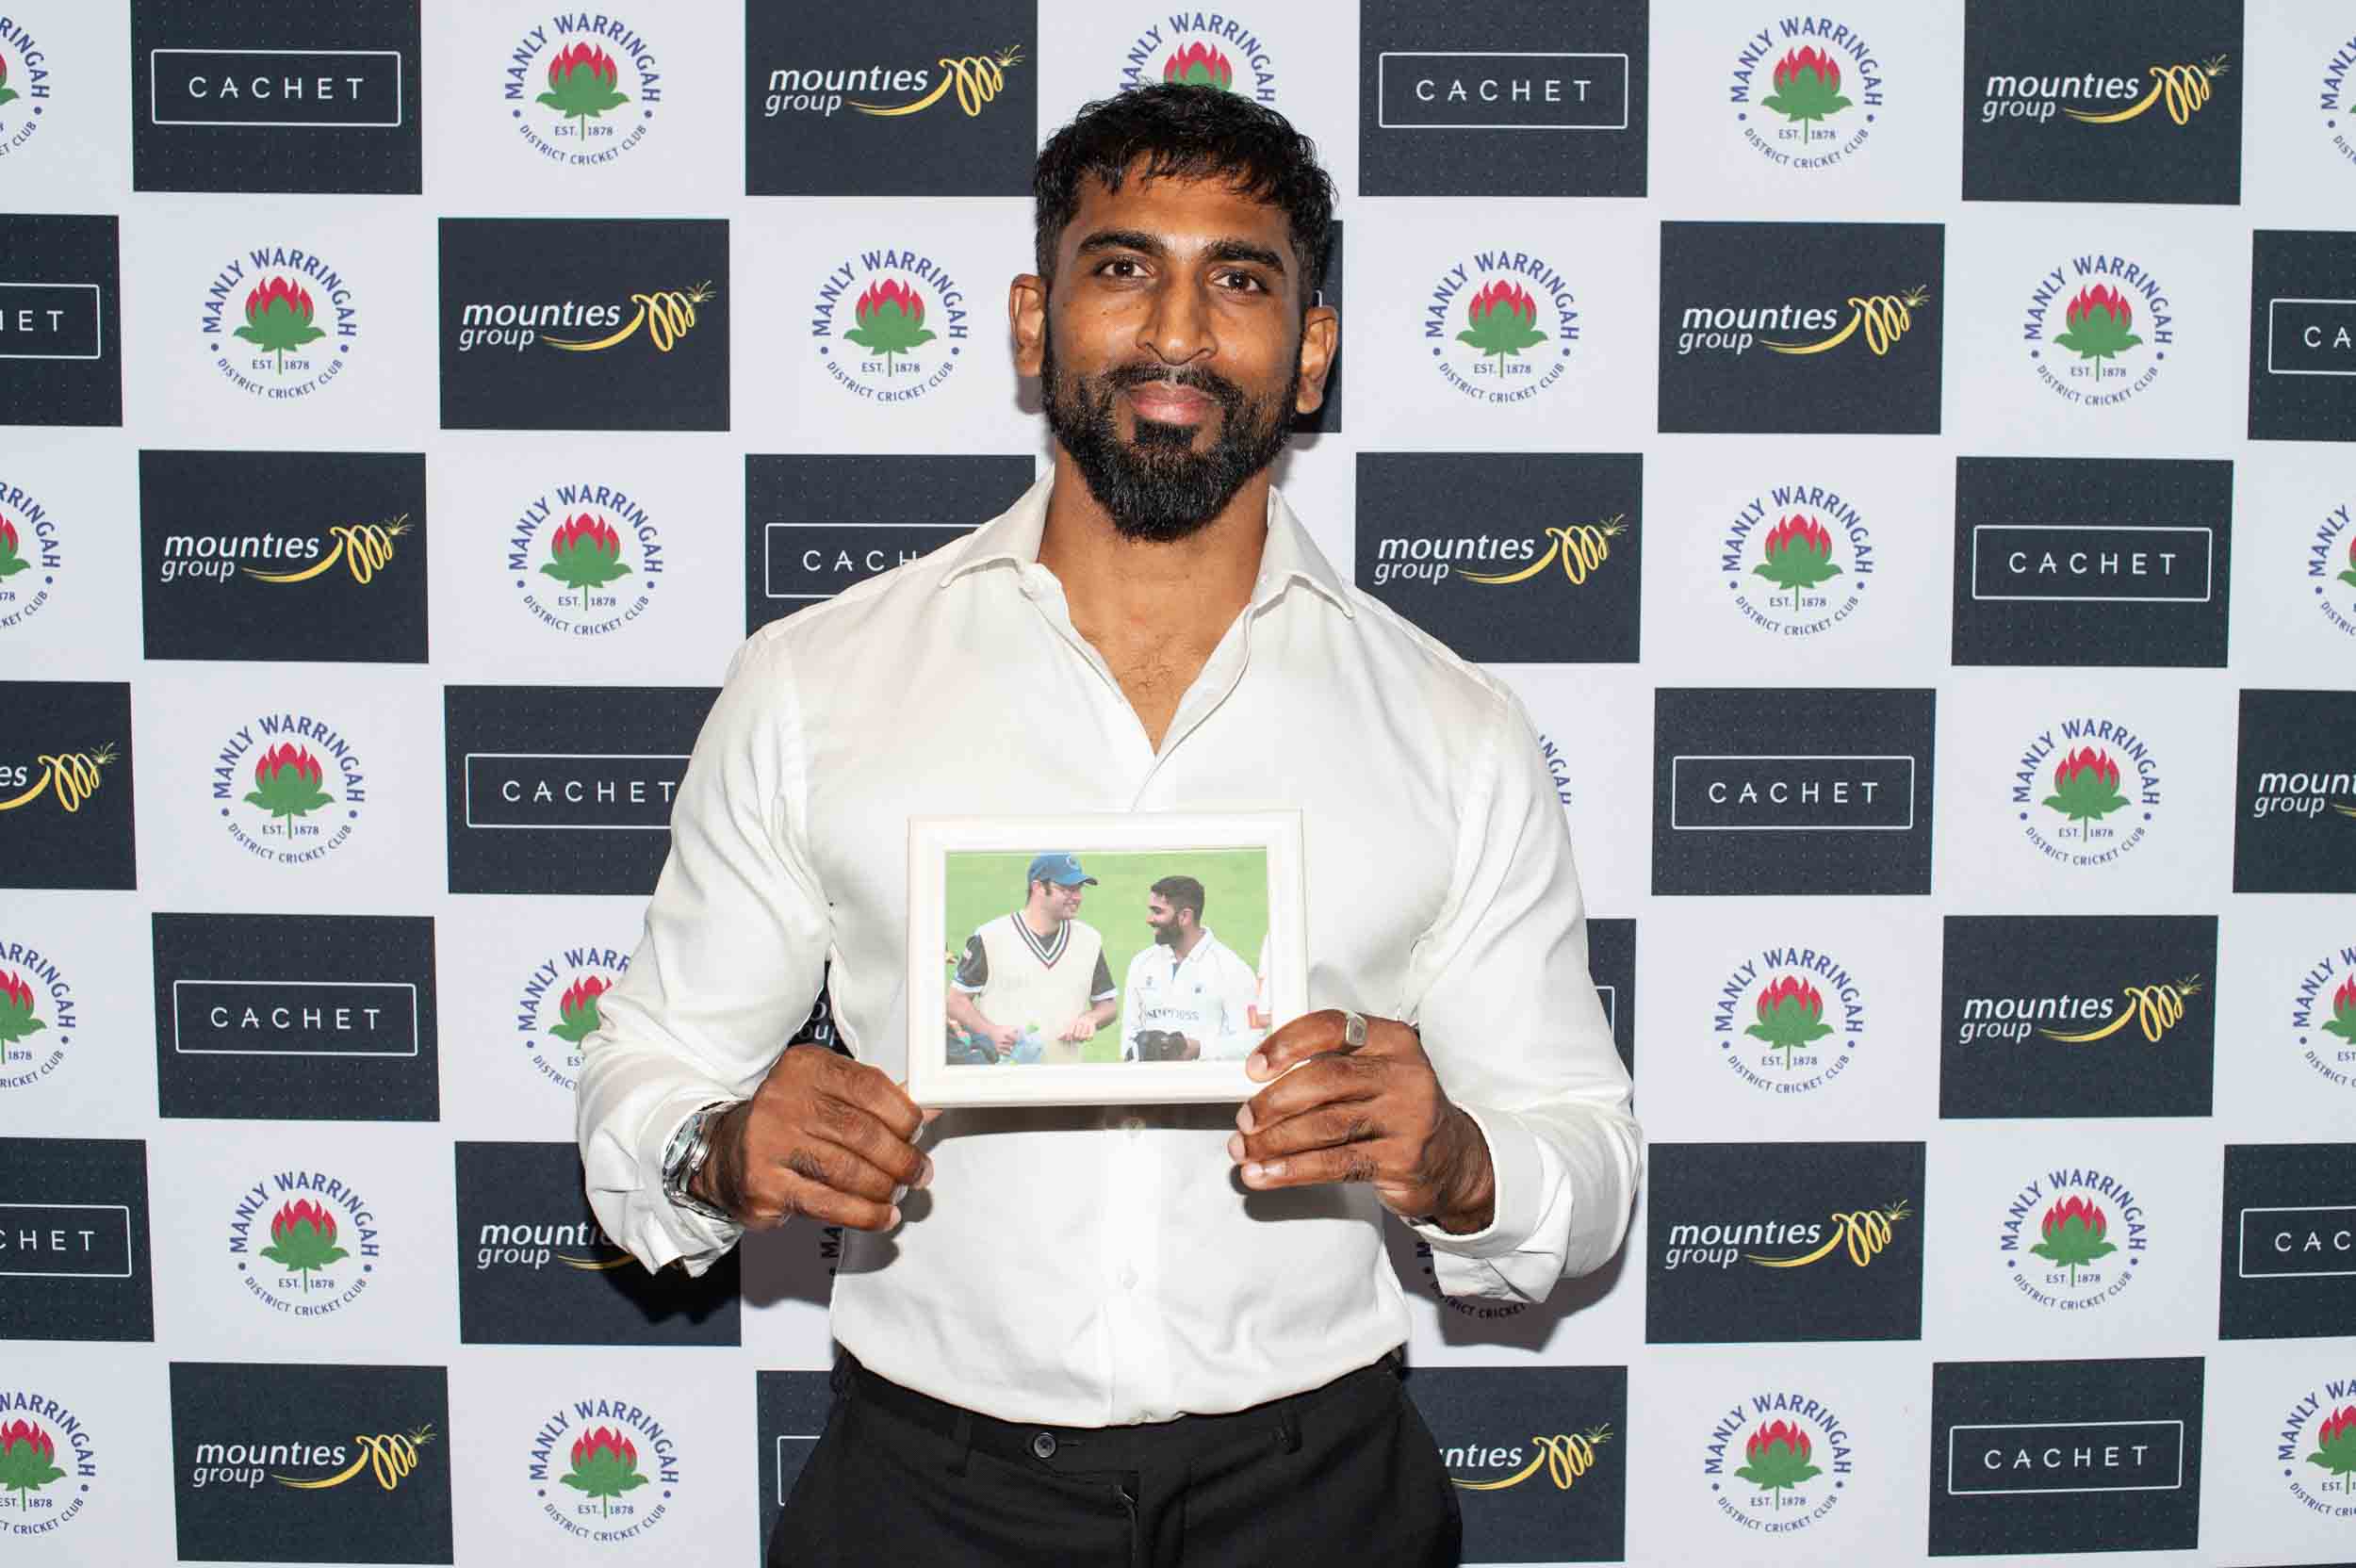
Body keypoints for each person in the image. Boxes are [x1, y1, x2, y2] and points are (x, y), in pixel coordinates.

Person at [576, 83, 1640, 1567]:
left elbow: (1586, 1158)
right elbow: (643, 1078)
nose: (1178, 331)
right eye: (1125, 267)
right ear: (1035, 322)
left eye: (1242, 280)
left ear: (1311, 354)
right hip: (928, 1497)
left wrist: (1462, 1164)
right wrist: (723, 1145)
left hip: (1319, 1495)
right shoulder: (818, 683)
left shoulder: (1451, 726)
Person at [944, 851, 1118, 1065]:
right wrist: (990, 1031)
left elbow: (1108, 1005)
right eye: (1067, 889)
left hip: (1067, 1076)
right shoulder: (990, 937)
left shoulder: (1090, 940)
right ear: (1037, 887)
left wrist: (1090, 1019)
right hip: (1004, 1076)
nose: (1077, 897)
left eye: (1079, 889)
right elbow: (955, 1001)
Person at [1121, 874, 1260, 1060]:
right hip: (1148, 1078)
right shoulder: (1141, 963)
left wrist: (1199, 1049)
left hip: (1205, 1079)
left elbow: (1251, 1043)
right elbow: (1129, 1034)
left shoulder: (1232, 969)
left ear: (1185, 916)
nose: (1149, 919)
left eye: (1158, 911)